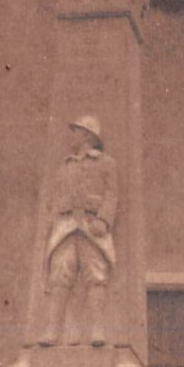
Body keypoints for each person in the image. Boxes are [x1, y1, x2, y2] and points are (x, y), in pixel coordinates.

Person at [38, 115, 117, 348]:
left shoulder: (106, 163)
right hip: (65, 223)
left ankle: (98, 329)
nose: (71, 135)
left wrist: (103, 219)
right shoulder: (65, 165)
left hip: (92, 224)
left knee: (96, 274)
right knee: (60, 273)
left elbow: (112, 194)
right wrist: (52, 220)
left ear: (86, 136)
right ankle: (53, 329)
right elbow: (55, 196)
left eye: (75, 131)